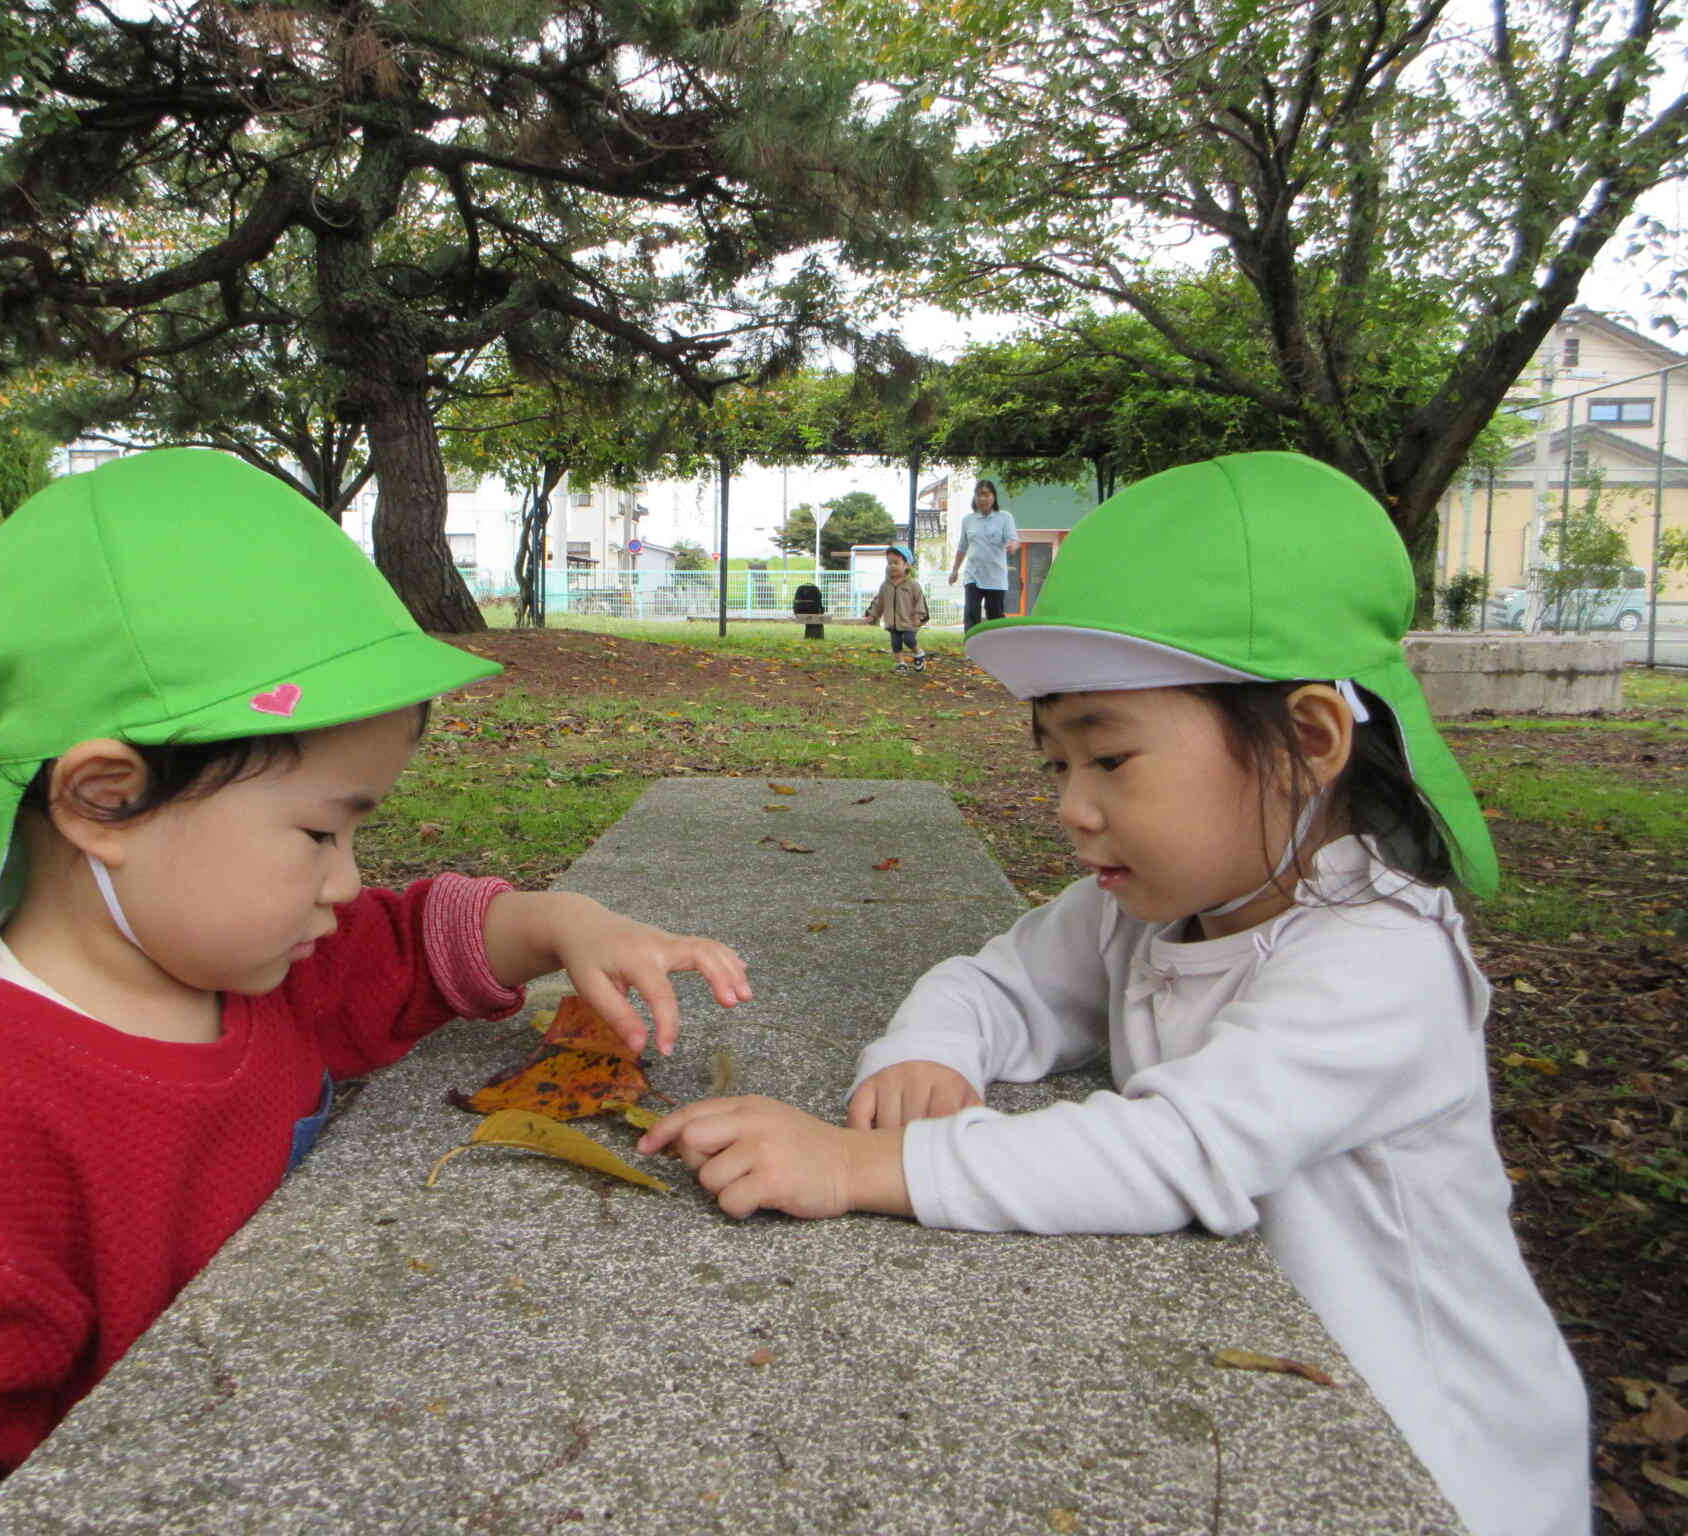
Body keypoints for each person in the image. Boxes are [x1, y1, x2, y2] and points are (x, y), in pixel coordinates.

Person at [0, 450, 752, 1536]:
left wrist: (561, 923)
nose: (345, 880)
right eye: (317, 832)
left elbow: (411, 948)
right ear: (106, 800)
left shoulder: (256, 968)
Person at [640, 453, 1589, 1536]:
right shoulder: (1152, 903)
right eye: (1056, 767)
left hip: (1438, 1465)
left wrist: (863, 1163)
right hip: (1258, 1395)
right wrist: (930, 1053)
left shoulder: (1378, 961)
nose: (1072, 810)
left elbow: (1174, 1151)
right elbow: (995, 980)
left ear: (1308, 741)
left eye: (1111, 760)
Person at [947, 476, 1019, 628]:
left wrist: (1013, 545)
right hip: (973, 575)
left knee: (995, 616)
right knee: (971, 615)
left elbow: (1014, 539)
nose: (983, 498)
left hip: (996, 576)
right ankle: (971, 649)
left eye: (986, 494)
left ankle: (996, 649)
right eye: (979, 494)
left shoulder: (1004, 517)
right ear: (975, 497)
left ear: (993, 497)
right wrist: (954, 571)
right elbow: (962, 547)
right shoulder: (968, 520)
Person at [860, 543, 931, 673]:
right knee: (896, 643)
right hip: (892, 622)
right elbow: (879, 601)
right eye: (889, 563)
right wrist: (872, 614)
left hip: (909, 622)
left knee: (909, 640)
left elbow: (920, 601)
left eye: (896, 563)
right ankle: (901, 663)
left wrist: (918, 616)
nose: (892, 566)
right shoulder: (885, 586)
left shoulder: (913, 585)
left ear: (906, 565)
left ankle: (919, 653)